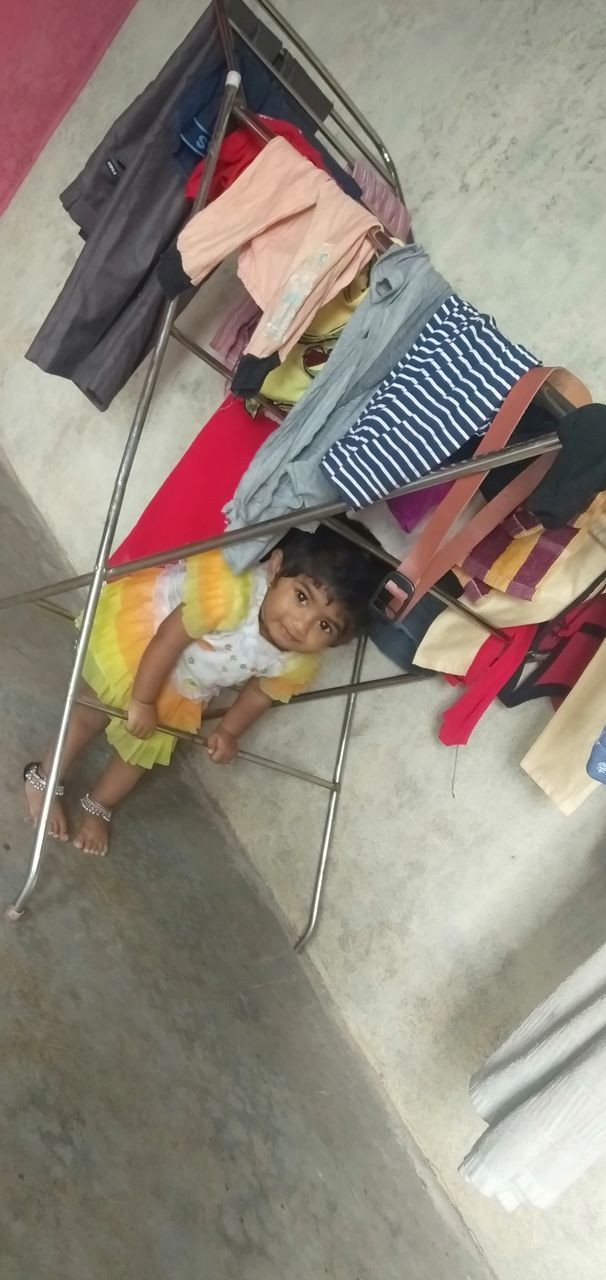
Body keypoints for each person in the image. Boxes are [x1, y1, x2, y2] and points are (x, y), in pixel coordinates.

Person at [24, 526, 381, 856]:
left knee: (141, 754)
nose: (300, 625)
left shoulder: (297, 661)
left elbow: (259, 694)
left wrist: (228, 732)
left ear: (337, 641)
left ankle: (99, 804)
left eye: (324, 625)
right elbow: (168, 639)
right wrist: (142, 700)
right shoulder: (227, 595)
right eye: (301, 597)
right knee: (94, 711)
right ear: (275, 569)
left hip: (187, 684)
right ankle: (44, 776)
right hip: (148, 641)